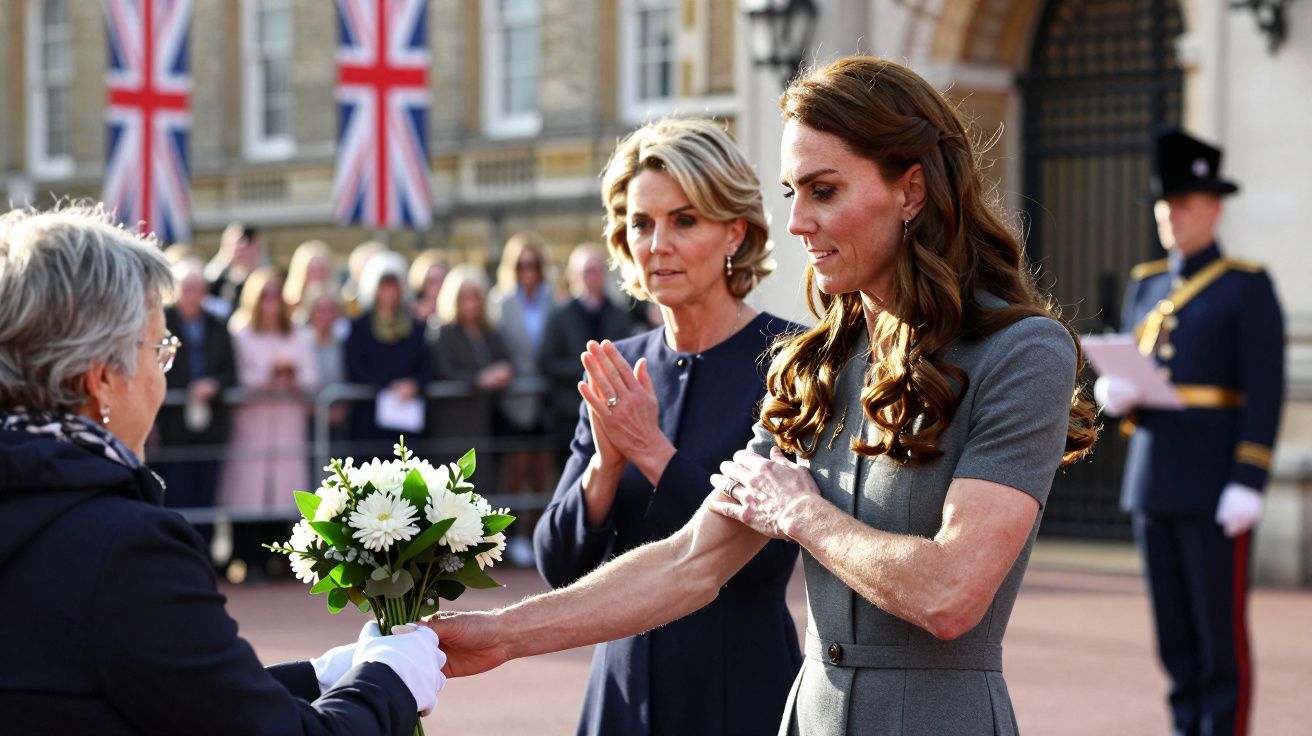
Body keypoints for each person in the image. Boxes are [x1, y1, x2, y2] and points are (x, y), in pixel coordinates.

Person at [430, 56, 1099, 735]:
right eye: (792, 194)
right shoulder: (813, 364)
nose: (799, 222)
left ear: (912, 191)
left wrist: (802, 515)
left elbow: (952, 594)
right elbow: (687, 563)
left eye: (824, 191)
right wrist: (502, 633)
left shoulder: (1022, 352)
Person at [0, 204, 444, 734]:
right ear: (100, 379)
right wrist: (391, 681)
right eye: (159, 352)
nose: (163, 378)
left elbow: (172, 691)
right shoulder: (125, 548)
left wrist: (321, 678)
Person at [533, 118, 803, 736]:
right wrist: (605, 465)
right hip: (622, 686)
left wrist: (651, 450)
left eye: (684, 220)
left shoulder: (790, 362)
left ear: (734, 231)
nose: (657, 244)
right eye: (641, 223)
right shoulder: (617, 363)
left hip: (737, 683)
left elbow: (760, 565)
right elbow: (558, 566)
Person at [1094, 128, 1285, 736]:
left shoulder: (1245, 286)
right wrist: (1113, 396)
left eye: (1184, 204)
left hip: (1213, 485)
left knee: (1217, 639)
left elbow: (1266, 388)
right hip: (1153, 479)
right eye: (1164, 205)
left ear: (1215, 207)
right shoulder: (1146, 283)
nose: (1171, 216)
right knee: (1174, 638)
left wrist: (1249, 479)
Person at [218, 267, 320, 583]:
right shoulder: (240, 334)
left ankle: (281, 565)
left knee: (283, 496)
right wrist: (267, 376)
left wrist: (291, 376)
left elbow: (313, 378)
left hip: (288, 425)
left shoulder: (300, 336)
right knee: (249, 495)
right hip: (253, 426)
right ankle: (249, 562)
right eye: (265, 295)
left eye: (276, 294)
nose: (271, 302)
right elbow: (237, 376)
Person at [153, 258, 238, 551]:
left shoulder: (217, 325)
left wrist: (213, 384)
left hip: (212, 426)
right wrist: (185, 388)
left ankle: (206, 555)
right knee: (177, 493)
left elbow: (231, 372)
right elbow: (155, 370)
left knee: (207, 493)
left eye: (199, 288)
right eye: (187, 288)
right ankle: (177, 555)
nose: (194, 295)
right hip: (173, 428)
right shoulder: (161, 323)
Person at [490, 232, 558, 566]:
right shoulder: (501, 302)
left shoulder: (552, 300)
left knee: (542, 471)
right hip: (513, 398)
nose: (528, 271)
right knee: (515, 472)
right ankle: (514, 538)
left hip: (544, 396)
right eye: (521, 265)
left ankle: (536, 535)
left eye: (533, 264)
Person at [538, 242, 636, 472]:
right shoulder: (560, 317)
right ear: (573, 275)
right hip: (570, 411)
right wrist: (588, 370)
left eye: (596, 270)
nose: (592, 277)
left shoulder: (619, 314)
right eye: (586, 271)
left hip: (614, 410)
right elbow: (547, 361)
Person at [345, 251, 431, 458]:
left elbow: (427, 365)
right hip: (369, 422)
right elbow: (355, 367)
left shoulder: (415, 326)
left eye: (394, 285)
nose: (390, 292)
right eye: (384, 285)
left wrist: (414, 384)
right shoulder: (360, 327)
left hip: (408, 421)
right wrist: (387, 385)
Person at [427, 264, 515, 458]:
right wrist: (479, 379)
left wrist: (503, 370)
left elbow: (505, 358)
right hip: (453, 422)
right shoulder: (442, 331)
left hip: (485, 419)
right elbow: (443, 370)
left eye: (475, 296)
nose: (470, 303)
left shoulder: (489, 330)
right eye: (464, 297)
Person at [283, 239, 336, 313]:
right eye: (312, 270)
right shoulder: (289, 304)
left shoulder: (336, 302)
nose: (317, 274)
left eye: (321, 269)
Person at [409, 248, 451, 324]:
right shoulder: (412, 314)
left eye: (442, 280)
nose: (438, 286)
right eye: (432, 281)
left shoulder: (453, 312)